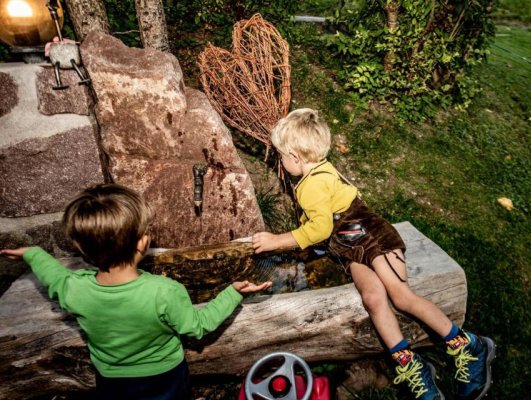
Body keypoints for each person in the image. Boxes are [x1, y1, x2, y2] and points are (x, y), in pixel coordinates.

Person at [252, 109, 495, 400]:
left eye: (281, 155)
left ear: (295, 156)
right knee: (372, 298)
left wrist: (276, 241)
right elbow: (323, 221)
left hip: (373, 238)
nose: (281, 161)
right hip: (352, 247)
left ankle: (467, 345)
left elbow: (319, 228)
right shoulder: (318, 171)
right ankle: (412, 365)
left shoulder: (311, 185)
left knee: (401, 296)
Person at [0, 184, 271, 400]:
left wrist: (33, 254)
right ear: (142, 243)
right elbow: (197, 327)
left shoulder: (75, 289)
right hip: (165, 378)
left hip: (111, 380)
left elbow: (54, 276)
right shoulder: (164, 291)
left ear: (83, 250)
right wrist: (233, 293)